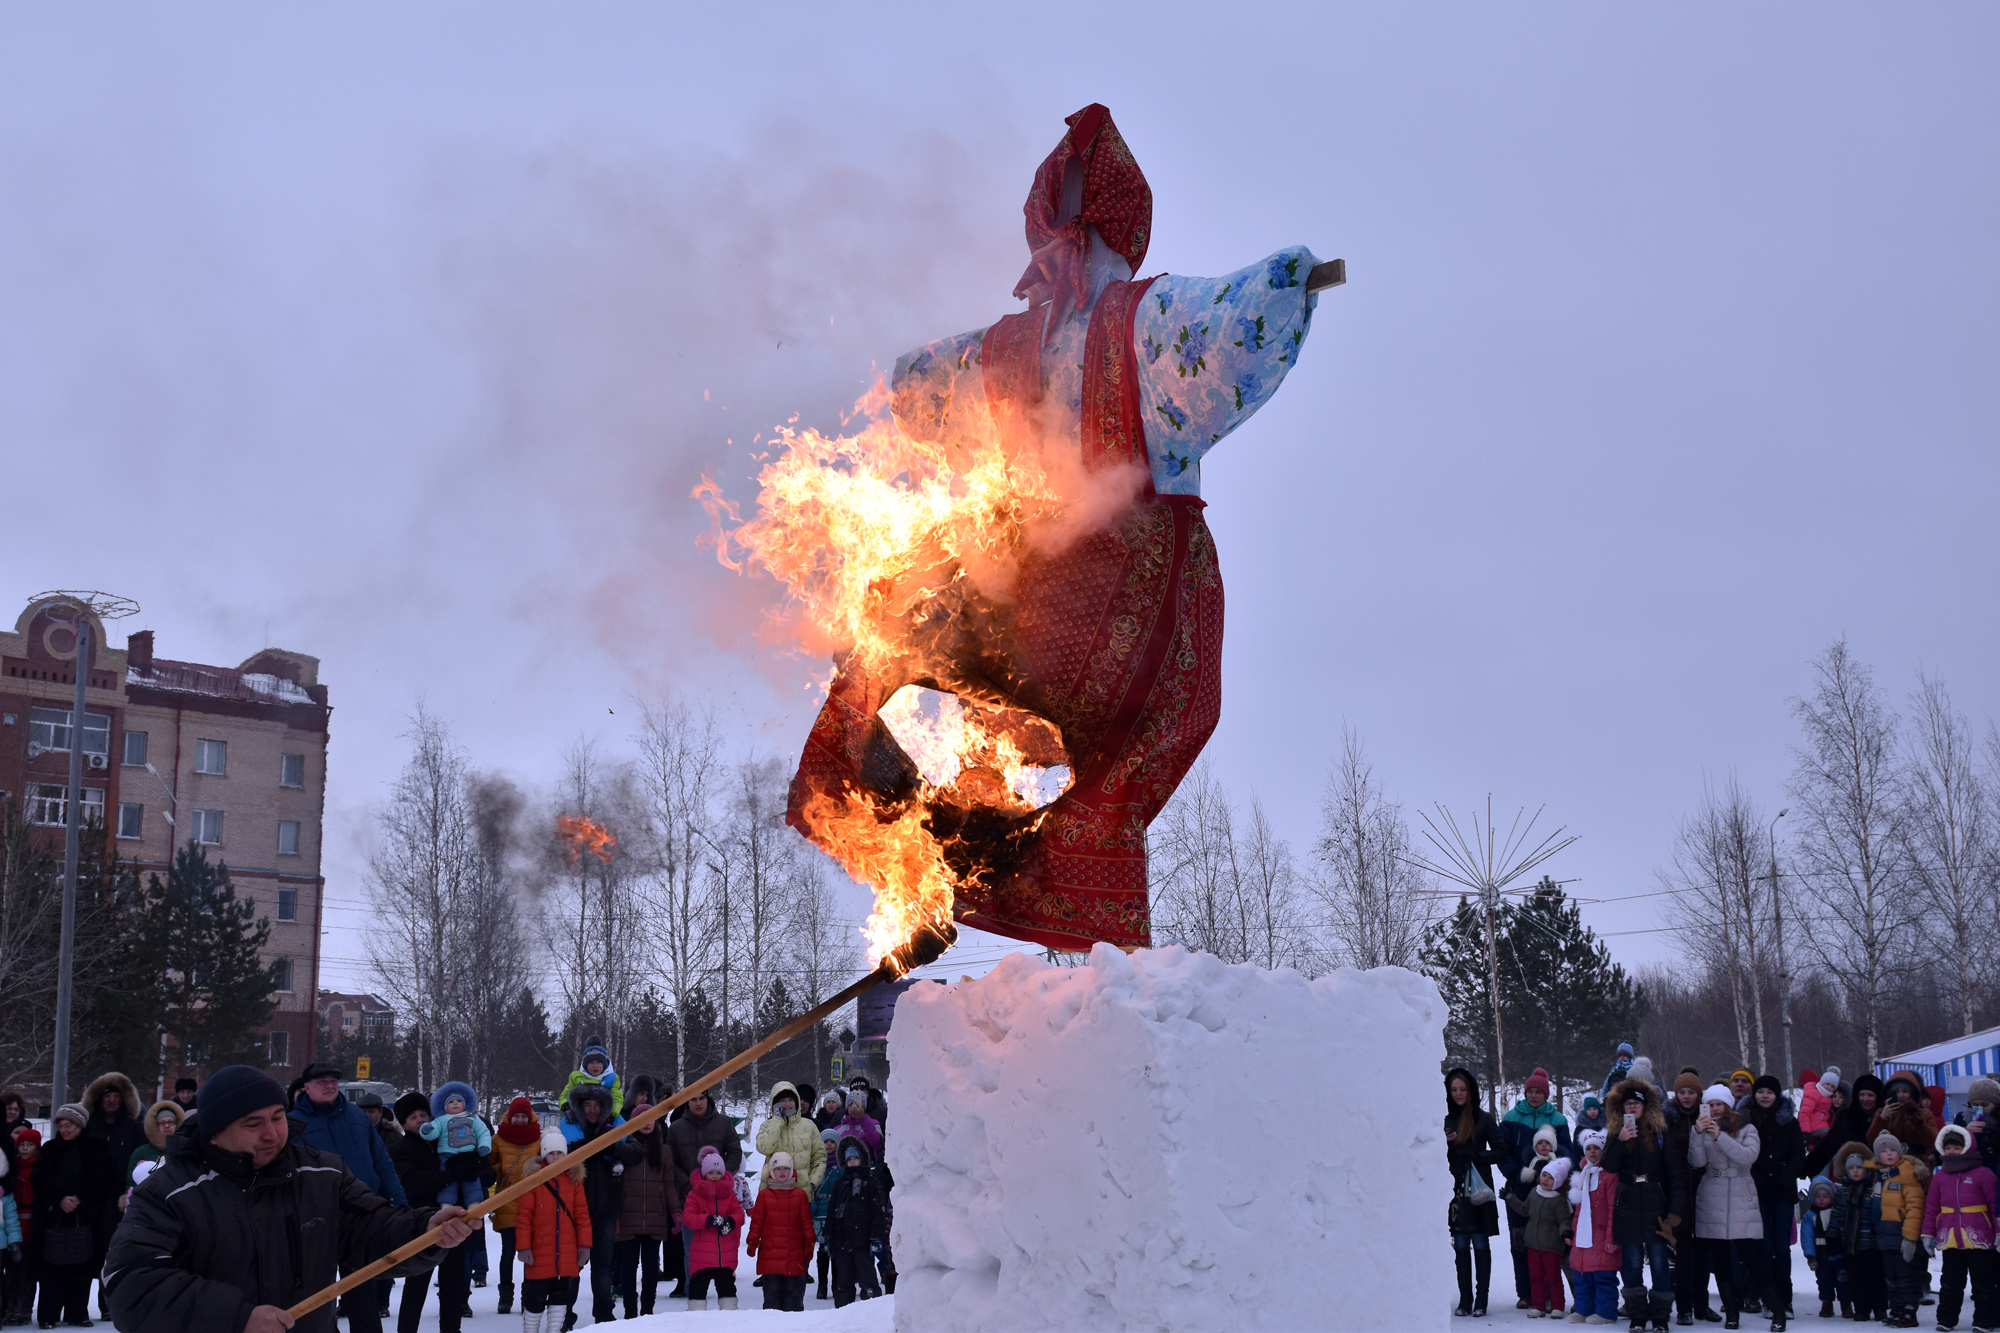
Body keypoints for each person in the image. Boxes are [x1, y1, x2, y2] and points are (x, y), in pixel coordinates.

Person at [102, 1064, 475, 1333]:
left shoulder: (321, 1174)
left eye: (278, 1117)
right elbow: (131, 1284)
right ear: (214, 1132)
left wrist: (423, 1228)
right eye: (253, 1124)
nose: (272, 1134)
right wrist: (236, 1318)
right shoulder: (170, 1191)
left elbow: (370, 1229)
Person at [1687, 1085, 1778, 1331]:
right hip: (1712, 1193)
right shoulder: (1703, 1131)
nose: (1715, 1109)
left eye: (1719, 1104)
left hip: (1741, 1192)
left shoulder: (1748, 1128)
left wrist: (1719, 1136)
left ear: (1728, 1106)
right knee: (1721, 1260)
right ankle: (1732, 1314)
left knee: (1752, 1258)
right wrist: (1696, 1134)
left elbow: (1747, 1157)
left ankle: (1777, 1311)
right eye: (1711, 1104)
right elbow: (1696, 1162)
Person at [386, 1090, 473, 1333]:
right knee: (417, 1284)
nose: (420, 1120)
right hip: (420, 1224)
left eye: (423, 1114)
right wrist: (450, 1176)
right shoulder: (401, 1148)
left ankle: (451, 1329)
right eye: (413, 1117)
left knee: (453, 1285)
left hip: (454, 1222)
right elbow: (412, 1181)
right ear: (404, 1124)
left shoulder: (443, 1141)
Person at [1603, 1073, 1684, 1332]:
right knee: (1633, 1263)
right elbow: (1608, 1166)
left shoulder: (1660, 1132)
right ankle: (1637, 1314)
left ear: (1645, 1106)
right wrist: (1620, 1140)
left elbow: (1675, 1174)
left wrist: (1674, 1210)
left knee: (1660, 1262)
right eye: (1627, 1104)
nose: (1632, 1108)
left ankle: (1660, 1316)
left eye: (1636, 1104)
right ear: (1622, 1108)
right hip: (1627, 1205)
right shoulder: (1616, 1133)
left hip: (1655, 1204)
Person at [562, 1081, 636, 1323]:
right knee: (572, 1267)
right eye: (587, 1105)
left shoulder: (615, 1126)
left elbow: (636, 1153)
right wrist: (582, 1149)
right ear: (579, 1107)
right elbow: (552, 1156)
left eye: (597, 1105)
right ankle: (564, 1317)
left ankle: (604, 1317)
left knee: (603, 1267)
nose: (592, 1110)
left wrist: (612, 1147)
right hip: (574, 1212)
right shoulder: (568, 1127)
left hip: (606, 1209)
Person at [1501, 1068, 1572, 1310]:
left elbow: (1567, 1153)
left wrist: (1550, 1170)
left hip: (1550, 1191)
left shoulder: (1558, 1120)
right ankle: (1526, 1293)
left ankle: (1550, 1292)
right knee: (1520, 1241)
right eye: (1530, 1091)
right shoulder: (1511, 1117)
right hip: (1520, 1189)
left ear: (1546, 1094)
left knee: (1548, 1244)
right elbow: (1504, 1151)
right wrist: (1514, 1173)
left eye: (1538, 1092)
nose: (1533, 1096)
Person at [32, 1104, 107, 1328]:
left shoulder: (97, 1148)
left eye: (69, 1125)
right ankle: (48, 1314)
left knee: (81, 1264)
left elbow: (104, 1179)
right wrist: (59, 1200)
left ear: (81, 1126)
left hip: (85, 1216)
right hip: (53, 1216)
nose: (64, 1130)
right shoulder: (50, 1149)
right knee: (51, 1266)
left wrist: (81, 1199)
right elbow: (39, 1180)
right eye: (61, 1126)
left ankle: (77, 1313)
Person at [612, 1075, 679, 1320]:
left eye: (651, 1118)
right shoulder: (623, 1148)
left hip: (655, 1218)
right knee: (628, 1268)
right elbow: (615, 1186)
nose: (647, 1123)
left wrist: (676, 1213)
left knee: (651, 1268)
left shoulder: (664, 1151)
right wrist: (614, 1216)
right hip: (627, 1217)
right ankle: (630, 1313)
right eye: (642, 1119)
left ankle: (648, 1312)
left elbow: (669, 1185)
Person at [514, 1129, 591, 1333]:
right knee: (535, 1297)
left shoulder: (574, 1181)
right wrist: (523, 1246)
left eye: (559, 1153)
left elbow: (582, 1215)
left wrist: (584, 1245)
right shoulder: (533, 1180)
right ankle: (531, 1330)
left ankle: (554, 1330)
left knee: (561, 1296)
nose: (555, 1157)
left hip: (566, 1252)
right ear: (544, 1155)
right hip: (539, 1251)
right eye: (551, 1153)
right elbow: (524, 1216)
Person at [1923, 1123, 1997, 1333]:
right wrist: (1928, 1233)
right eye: (1948, 1148)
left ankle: (1985, 1320)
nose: (1952, 1151)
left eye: (1956, 1147)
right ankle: (1946, 1319)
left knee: (1983, 1282)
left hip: (1980, 1238)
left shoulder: (1984, 1174)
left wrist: (1999, 1231)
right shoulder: (1940, 1176)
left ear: (1967, 1147)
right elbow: (1931, 1207)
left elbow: (1995, 1205)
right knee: (1950, 1282)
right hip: (1951, 1238)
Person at [1445, 1066, 1504, 1318]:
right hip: (1454, 1188)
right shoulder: (1443, 1118)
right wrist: (1447, 1145)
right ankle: (1465, 1299)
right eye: (1454, 1089)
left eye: (1463, 1089)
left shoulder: (1483, 1118)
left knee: (1480, 1242)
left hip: (1480, 1188)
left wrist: (1478, 1156)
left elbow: (1502, 1151)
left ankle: (1482, 1299)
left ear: (1471, 1090)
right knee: (1460, 1244)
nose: (1459, 1094)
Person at [1662, 1071, 1720, 1325]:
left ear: (1699, 1095)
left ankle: (1702, 1304)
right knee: (1684, 1253)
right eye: (1683, 1092)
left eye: (1692, 1092)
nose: (1687, 1096)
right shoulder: (1667, 1118)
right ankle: (1684, 1306)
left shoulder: (1707, 1116)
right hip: (1678, 1192)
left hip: (1705, 1188)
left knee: (1705, 1254)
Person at [1744, 1074, 1802, 1321]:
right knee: (1763, 1248)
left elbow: (1798, 1155)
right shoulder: (1747, 1120)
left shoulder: (1789, 1122)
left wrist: (1782, 1178)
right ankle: (1768, 1299)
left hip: (1782, 1192)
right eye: (1760, 1091)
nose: (1765, 1096)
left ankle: (1785, 1300)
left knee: (1781, 1248)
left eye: (1769, 1091)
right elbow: (1743, 1153)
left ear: (1777, 1095)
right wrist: (1758, 1179)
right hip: (1756, 1191)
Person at [485, 1095, 543, 1317]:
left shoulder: (538, 1139)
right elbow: (488, 1169)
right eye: (516, 1116)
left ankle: (529, 1297)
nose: (520, 1120)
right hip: (507, 1202)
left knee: (531, 1254)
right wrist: (501, 1168)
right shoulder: (498, 1139)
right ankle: (505, 1298)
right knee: (508, 1252)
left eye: (523, 1116)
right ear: (510, 1116)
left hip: (532, 1204)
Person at [1871, 1130, 1929, 1328]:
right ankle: (1896, 1308)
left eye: (1892, 1150)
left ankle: (1909, 1311)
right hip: (1885, 1237)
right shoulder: (1879, 1177)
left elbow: (1915, 1207)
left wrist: (1911, 1238)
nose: (1888, 1154)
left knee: (1907, 1276)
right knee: (1891, 1276)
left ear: (1900, 1152)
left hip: (1903, 1235)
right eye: (1883, 1151)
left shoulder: (1906, 1174)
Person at [823, 1136, 887, 1308]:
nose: (852, 1162)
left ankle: (872, 1315)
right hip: (843, 1242)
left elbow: (878, 1214)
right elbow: (832, 1212)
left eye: (855, 1158)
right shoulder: (840, 1184)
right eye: (849, 1159)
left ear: (863, 1159)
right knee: (843, 1283)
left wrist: (876, 1238)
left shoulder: (871, 1184)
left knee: (869, 1282)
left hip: (864, 1243)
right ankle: (842, 1316)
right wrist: (828, 1236)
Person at [749, 1150, 816, 1311]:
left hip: (794, 1257)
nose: (782, 1172)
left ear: (792, 1171)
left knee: (793, 1301)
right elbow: (756, 1223)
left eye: (786, 1169)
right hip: (770, 1258)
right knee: (772, 1303)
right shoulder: (764, 1196)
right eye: (778, 1169)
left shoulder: (800, 1195)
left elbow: (806, 1223)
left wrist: (810, 1243)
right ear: (771, 1171)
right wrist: (752, 1241)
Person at [1506, 1156, 1573, 1318]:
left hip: (1551, 1246)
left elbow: (1564, 1220)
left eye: (1551, 1178)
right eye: (1544, 1175)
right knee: (1536, 1277)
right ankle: (1538, 1305)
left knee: (1553, 1277)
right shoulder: (1534, 1193)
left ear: (1557, 1183)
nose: (1546, 1180)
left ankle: (1557, 1306)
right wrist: (1510, 1199)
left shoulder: (1559, 1201)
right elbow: (1524, 1210)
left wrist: (1565, 1231)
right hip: (1533, 1244)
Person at [680, 1146, 744, 1311]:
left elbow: (739, 1215)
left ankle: (730, 1319)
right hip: (701, 1253)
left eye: (718, 1173)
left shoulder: (729, 1195)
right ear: (704, 1174)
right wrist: (707, 1220)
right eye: (711, 1173)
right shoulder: (695, 1195)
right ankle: (696, 1317)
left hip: (725, 1253)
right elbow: (688, 1217)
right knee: (698, 1288)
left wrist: (729, 1221)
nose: (714, 1176)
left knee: (727, 1288)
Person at [1569, 1129, 1622, 1325]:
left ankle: (1605, 1312)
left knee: (1603, 1276)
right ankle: (1584, 1309)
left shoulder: (1608, 1176)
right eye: (1589, 1149)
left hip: (1601, 1235)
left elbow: (1612, 1210)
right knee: (1583, 1276)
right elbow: (1578, 1210)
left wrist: (1611, 1238)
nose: (1592, 1152)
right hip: (1583, 1236)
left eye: (1596, 1149)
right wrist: (1573, 1233)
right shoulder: (1583, 1175)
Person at [417, 1082, 492, 1209]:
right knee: (448, 1182)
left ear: (465, 1104)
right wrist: (427, 1130)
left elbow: (483, 1133)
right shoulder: (441, 1120)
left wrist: (484, 1146)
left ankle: (474, 1204)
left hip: (469, 1156)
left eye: (458, 1101)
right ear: (445, 1107)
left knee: (472, 1181)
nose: (455, 1103)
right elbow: (434, 1132)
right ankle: (446, 1204)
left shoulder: (473, 1119)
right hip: (447, 1155)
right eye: (451, 1102)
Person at [756, 1081, 828, 1192]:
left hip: (801, 1193)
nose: (787, 1104)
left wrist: (812, 1183)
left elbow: (820, 1158)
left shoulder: (809, 1126)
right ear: (775, 1103)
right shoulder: (768, 1125)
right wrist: (777, 1121)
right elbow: (763, 1148)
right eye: (782, 1101)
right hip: (772, 1193)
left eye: (791, 1100)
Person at [1799, 1175, 1849, 1319]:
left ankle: (1846, 1303)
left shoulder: (1837, 1212)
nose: (1821, 1199)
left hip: (1839, 1254)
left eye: (1825, 1196)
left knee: (1843, 1279)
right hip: (1822, 1255)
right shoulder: (1810, 1216)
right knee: (1824, 1280)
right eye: (1818, 1196)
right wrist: (1810, 1255)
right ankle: (1827, 1302)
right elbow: (1807, 1237)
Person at [1869, 1072, 1942, 1165]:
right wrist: (1882, 1118)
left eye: (1905, 1091)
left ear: (1912, 1093)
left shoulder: (1925, 1114)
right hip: (1890, 1165)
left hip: (1918, 1167)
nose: (1900, 1095)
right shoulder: (1882, 1112)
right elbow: (1871, 1140)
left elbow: (1933, 1142)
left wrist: (1917, 1121)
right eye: (1896, 1091)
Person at [8, 1128, 40, 1327]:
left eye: (29, 1145)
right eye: (22, 1145)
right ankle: (10, 1306)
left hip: (32, 1223)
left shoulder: (38, 1168)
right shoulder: (13, 1168)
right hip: (14, 1222)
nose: (25, 1149)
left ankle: (23, 1308)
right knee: (12, 1270)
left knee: (28, 1271)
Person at [811, 1127, 843, 1303]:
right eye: (825, 1142)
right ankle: (822, 1284)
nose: (829, 1145)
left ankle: (836, 1284)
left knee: (836, 1251)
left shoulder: (841, 1167)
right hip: (820, 1216)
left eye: (832, 1142)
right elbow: (810, 1187)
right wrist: (812, 1204)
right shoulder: (815, 1165)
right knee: (823, 1252)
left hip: (836, 1216)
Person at [560, 1037, 626, 1119]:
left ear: (604, 1064)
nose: (595, 1066)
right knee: (565, 1122)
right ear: (585, 1065)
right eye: (591, 1062)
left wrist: (612, 1115)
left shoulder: (612, 1079)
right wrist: (566, 1107)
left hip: (604, 1116)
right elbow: (565, 1095)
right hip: (581, 1116)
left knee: (620, 1121)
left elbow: (617, 1098)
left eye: (598, 1062)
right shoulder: (576, 1077)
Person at [125, 1101, 183, 1195]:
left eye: (171, 1122)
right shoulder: (141, 1152)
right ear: (155, 1126)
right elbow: (131, 1184)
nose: (167, 1126)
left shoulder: (183, 1151)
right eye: (162, 1123)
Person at [1953, 1077, 2000, 1174]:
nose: (1979, 1108)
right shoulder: (1962, 1118)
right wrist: (1966, 1132)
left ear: (1996, 1104)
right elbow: (1950, 1145)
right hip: (1970, 1174)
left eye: (1984, 1105)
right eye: (1975, 1104)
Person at [835, 1092, 883, 1162]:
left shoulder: (873, 1123)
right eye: (851, 1105)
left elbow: (877, 1144)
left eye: (858, 1105)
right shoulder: (838, 1129)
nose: (854, 1108)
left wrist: (863, 1119)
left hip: (867, 1167)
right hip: (844, 1169)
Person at [1799, 1068, 1838, 1141]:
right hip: (1814, 1128)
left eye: (1832, 1086)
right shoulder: (1813, 1093)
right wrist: (1805, 1131)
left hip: (1822, 1126)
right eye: (1827, 1084)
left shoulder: (1828, 1097)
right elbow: (1804, 1113)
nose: (1829, 1087)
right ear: (1822, 1083)